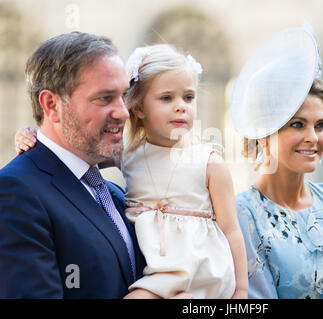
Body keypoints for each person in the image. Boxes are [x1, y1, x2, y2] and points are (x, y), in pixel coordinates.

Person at [15, 44, 248, 299]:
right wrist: (32, 136)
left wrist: (241, 290)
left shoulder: (209, 162)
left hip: (204, 268)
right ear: (137, 108)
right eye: (166, 98)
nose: (181, 106)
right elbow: (67, 155)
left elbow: (231, 230)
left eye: (189, 97)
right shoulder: (128, 154)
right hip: (162, 273)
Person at [0, 32, 146, 298]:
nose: (123, 112)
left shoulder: (114, 194)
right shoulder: (14, 193)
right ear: (51, 104)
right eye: (104, 98)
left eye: (124, 95)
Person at [230, 25, 323, 299]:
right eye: (297, 125)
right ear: (263, 132)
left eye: (320, 125)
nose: (312, 137)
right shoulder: (241, 216)